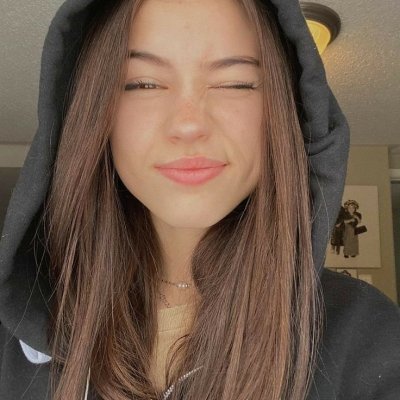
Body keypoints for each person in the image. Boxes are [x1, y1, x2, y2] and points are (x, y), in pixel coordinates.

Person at [0, 0, 399, 399]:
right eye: (142, 83)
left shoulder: (366, 337)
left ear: (287, 110)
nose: (189, 124)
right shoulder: (16, 337)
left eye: (235, 83)